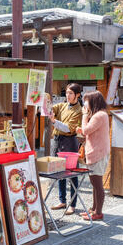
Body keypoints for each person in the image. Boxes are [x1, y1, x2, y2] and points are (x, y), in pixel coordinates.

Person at [48, 83, 82, 215]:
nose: (68, 96)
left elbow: (68, 128)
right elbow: (51, 109)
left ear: (77, 95)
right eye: (67, 93)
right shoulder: (62, 105)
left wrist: (54, 121)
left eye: (71, 93)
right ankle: (62, 200)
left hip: (69, 142)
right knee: (58, 171)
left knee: (72, 173)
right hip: (57, 140)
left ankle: (72, 204)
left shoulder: (79, 110)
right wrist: (45, 104)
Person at [76, 91, 110, 221]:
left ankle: (98, 212)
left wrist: (84, 115)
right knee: (95, 183)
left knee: (97, 183)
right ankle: (94, 209)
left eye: (87, 101)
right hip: (98, 151)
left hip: (98, 152)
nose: (85, 104)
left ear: (93, 101)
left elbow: (85, 130)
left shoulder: (99, 116)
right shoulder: (101, 114)